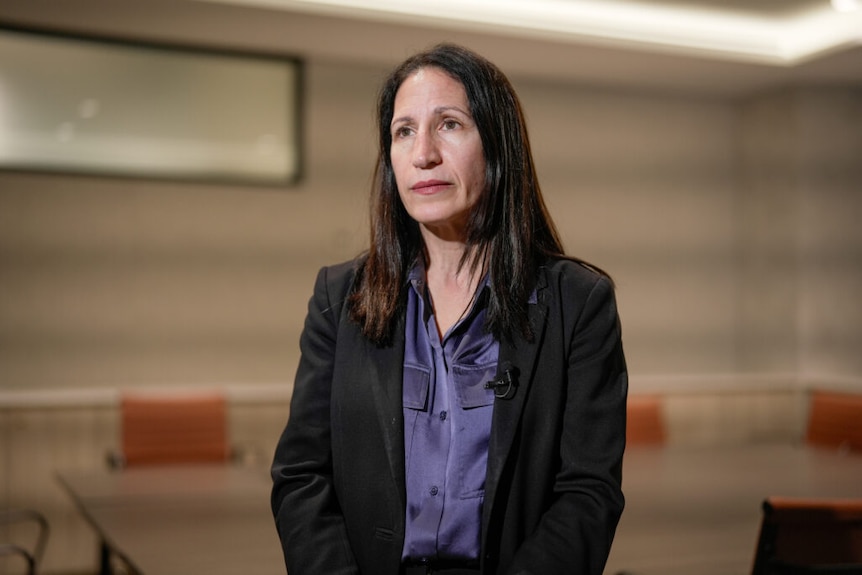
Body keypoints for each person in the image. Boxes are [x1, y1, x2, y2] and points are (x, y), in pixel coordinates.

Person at [271, 43, 628, 575]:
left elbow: (588, 493)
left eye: (450, 125)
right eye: (404, 131)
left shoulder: (577, 303)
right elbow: (301, 475)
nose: (423, 154)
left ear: (498, 147)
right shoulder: (338, 298)